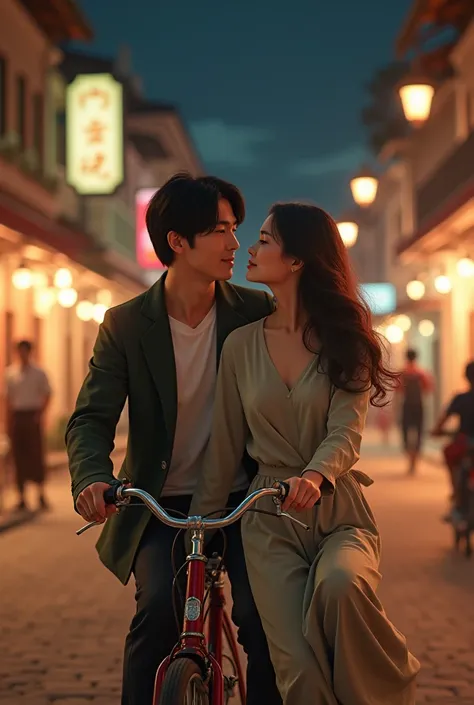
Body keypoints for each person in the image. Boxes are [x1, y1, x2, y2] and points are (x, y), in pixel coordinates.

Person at [190, 202, 420, 705]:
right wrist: (199, 527)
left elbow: (346, 431)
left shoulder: (349, 342)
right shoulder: (240, 346)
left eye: (266, 240)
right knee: (295, 665)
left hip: (339, 513)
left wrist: (315, 476)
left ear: (297, 259)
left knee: (341, 585)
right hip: (268, 520)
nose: (251, 247)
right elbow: (226, 445)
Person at [66, 173, 281, 705]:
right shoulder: (125, 324)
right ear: (177, 242)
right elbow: (91, 418)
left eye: (236, 229)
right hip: (160, 504)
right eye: (218, 230)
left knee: (263, 620)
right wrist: (93, 478)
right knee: (157, 613)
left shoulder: (256, 313)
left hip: (242, 500)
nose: (235, 244)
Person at [5, 340, 51, 512]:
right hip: (18, 416)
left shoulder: (39, 373)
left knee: (36, 455)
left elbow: (47, 394)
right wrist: (9, 421)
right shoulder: (10, 373)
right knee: (19, 456)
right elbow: (8, 399)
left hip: (32, 415)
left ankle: (40, 494)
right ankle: (21, 497)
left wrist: (40, 414)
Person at [432, 360, 474, 518]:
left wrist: (437, 431)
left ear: (466, 377)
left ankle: (456, 493)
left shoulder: (460, 398)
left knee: (449, 454)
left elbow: (442, 421)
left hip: (463, 443)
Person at [395, 348, 433, 475]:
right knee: (419, 432)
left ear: (406, 357)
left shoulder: (402, 372)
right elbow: (428, 388)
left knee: (406, 432)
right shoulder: (422, 373)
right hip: (419, 405)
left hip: (407, 405)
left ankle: (410, 460)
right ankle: (414, 461)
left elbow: (398, 389)